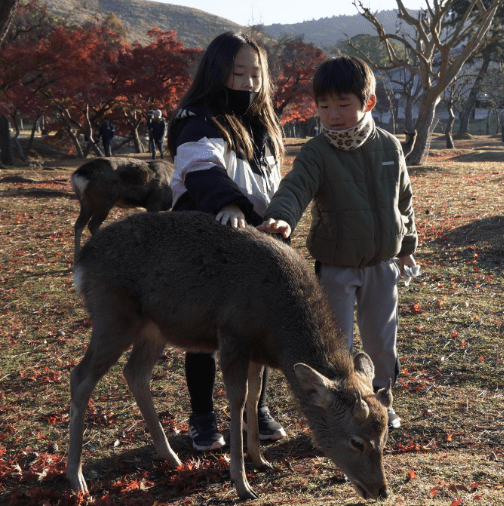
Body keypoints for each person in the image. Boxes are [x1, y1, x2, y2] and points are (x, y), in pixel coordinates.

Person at [258, 55, 418, 430]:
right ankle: (339, 410)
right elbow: (295, 187)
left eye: (343, 104)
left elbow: (405, 201)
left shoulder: (390, 147)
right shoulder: (317, 152)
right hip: (336, 267)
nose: (333, 114)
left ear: (369, 103)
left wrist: (408, 246)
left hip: (382, 263)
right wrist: (282, 215)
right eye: (325, 106)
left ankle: (381, 400)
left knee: (381, 341)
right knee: (337, 348)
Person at [167, 31, 286, 451]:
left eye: (257, 73)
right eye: (239, 72)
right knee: (203, 333)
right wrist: (229, 205)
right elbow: (202, 167)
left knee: (259, 328)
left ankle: (258, 410)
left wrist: (279, 219)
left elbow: (272, 184)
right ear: (217, 72)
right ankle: (202, 416)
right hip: (208, 245)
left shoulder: (264, 125)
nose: (250, 81)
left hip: (257, 246)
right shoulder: (196, 121)